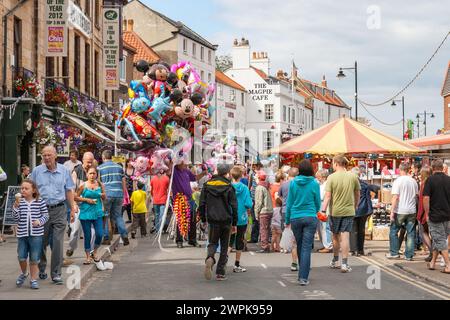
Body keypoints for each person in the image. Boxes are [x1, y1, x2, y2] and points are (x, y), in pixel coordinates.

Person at [30, 145, 76, 284]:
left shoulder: (64, 171)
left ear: (55, 156)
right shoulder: (37, 171)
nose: (46, 157)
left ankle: (56, 273)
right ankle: (42, 267)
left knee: (57, 242)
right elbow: (31, 190)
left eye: (49, 155)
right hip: (41, 210)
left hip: (59, 209)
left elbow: (68, 190)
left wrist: (72, 208)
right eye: (44, 155)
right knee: (41, 241)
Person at [321, 155, 361, 273]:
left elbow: (327, 196)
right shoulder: (353, 176)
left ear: (336, 163)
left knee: (335, 236)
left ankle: (335, 260)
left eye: (333, 163)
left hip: (335, 211)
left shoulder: (331, 178)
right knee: (345, 236)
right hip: (349, 211)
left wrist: (323, 210)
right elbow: (357, 194)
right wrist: (355, 206)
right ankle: (344, 264)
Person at [200, 163, 238, 281]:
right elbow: (234, 206)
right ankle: (220, 272)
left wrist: (203, 219)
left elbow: (201, 204)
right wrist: (235, 223)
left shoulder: (207, 185)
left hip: (212, 219)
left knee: (212, 242)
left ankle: (210, 258)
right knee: (224, 246)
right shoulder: (229, 186)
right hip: (226, 219)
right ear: (227, 173)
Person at [285, 160, 321, 286]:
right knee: (306, 247)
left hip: (295, 217)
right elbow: (317, 202)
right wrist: (315, 211)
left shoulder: (293, 183)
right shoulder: (315, 183)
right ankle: (303, 277)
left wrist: (287, 219)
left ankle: (302, 273)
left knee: (300, 246)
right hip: (310, 216)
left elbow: (289, 203)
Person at [12, 180, 49, 289]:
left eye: (26, 188)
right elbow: (16, 218)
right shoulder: (19, 202)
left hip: (36, 235)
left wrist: (39, 221)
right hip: (22, 234)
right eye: (22, 188)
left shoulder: (40, 201)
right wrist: (15, 207)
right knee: (21, 257)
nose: (23, 190)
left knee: (34, 258)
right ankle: (24, 273)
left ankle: (33, 279)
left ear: (33, 190)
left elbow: (46, 216)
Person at [387, 163, 419, 261]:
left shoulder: (398, 181)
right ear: (408, 169)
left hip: (400, 210)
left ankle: (394, 253)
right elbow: (416, 196)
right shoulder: (414, 181)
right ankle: (409, 255)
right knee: (411, 232)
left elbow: (395, 197)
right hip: (412, 210)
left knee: (393, 231)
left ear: (400, 170)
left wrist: (392, 211)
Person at [423, 159, 450, 273]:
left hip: (435, 216)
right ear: (442, 168)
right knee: (438, 239)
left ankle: (448, 265)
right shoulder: (449, 179)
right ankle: (433, 262)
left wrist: (427, 213)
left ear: (433, 168)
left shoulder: (430, 180)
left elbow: (426, 198)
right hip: (448, 216)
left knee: (439, 240)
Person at [66, 151, 96, 256]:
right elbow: (72, 189)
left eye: (91, 162)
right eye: (88, 162)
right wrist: (74, 205)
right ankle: (71, 247)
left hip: (91, 206)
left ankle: (91, 251)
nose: (89, 164)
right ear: (83, 160)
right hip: (79, 205)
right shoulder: (76, 171)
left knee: (93, 232)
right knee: (75, 230)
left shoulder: (95, 171)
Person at [172, 161, 206, 248]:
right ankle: (179, 240)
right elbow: (168, 170)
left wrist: (203, 173)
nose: (186, 164)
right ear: (179, 162)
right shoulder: (174, 170)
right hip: (180, 198)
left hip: (190, 198)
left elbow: (194, 178)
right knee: (181, 220)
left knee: (193, 219)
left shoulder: (186, 171)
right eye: (184, 162)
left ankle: (192, 240)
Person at [98, 150, 129, 246]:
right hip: (119, 194)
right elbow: (123, 182)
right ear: (111, 157)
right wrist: (123, 194)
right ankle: (124, 236)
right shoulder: (119, 167)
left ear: (103, 157)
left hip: (107, 194)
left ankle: (106, 238)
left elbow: (99, 182)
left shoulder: (100, 168)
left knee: (106, 216)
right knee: (118, 216)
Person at [76, 167, 105, 264]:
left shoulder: (100, 184)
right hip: (86, 213)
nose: (92, 175)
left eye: (94, 173)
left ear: (96, 174)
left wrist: (102, 196)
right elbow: (75, 197)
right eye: (90, 173)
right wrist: (87, 200)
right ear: (87, 174)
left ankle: (95, 252)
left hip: (97, 212)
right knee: (87, 235)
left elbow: (104, 198)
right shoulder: (82, 185)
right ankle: (88, 256)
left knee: (100, 234)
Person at [230, 166, 253, 273]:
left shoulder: (228, 187)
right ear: (241, 175)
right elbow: (248, 203)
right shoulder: (244, 188)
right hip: (242, 217)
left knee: (229, 241)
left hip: (230, 216)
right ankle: (237, 264)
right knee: (239, 240)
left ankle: (223, 262)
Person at [279, 167, 300, 271]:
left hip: (287, 212)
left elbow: (281, 197)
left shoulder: (285, 184)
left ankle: (294, 262)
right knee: (302, 241)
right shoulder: (303, 184)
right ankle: (304, 262)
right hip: (301, 213)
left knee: (293, 240)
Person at [350, 167, 374, 256]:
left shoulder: (350, 184)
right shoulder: (365, 184)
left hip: (353, 209)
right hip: (364, 210)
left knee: (353, 230)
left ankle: (353, 250)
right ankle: (360, 250)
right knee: (361, 230)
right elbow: (375, 189)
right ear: (359, 175)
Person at [254, 170, 273, 253]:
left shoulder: (259, 187)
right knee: (267, 228)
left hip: (263, 211)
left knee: (263, 229)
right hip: (269, 210)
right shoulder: (266, 185)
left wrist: (256, 213)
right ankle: (266, 245)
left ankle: (264, 246)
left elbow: (258, 202)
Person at [417, 166, 433, 262]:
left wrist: (423, 213)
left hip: (424, 212)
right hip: (433, 211)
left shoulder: (424, 184)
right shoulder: (432, 183)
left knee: (423, 232)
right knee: (433, 233)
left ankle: (432, 252)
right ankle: (433, 252)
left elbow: (424, 200)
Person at [315, 169, 333, 253]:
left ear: (322, 177)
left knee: (325, 227)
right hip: (320, 206)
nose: (317, 178)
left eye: (318, 177)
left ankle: (328, 246)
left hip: (324, 206)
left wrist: (323, 210)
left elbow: (325, 197)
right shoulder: (320, 184)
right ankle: (325, 244)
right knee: (321, 227)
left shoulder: (326, 184)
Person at [248, 163, 262, 243]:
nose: (253, 167)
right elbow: (249, 185)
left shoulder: (262, 174)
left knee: (259, 218)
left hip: (259, 198)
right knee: (254, 219)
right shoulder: (252, 174)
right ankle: (254, 237)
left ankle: (261, 237)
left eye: (255, 166)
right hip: (253, 198)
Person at [122, 158, 136, 224]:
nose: (129, 164)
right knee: (127, 205)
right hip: (126, 190)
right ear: (126, 163)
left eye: (131, 162)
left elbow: (136, 180)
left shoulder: (134, 171)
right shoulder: (124, 171)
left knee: (133, 204)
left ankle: (135, 218)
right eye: (128, 162)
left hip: (133, 190)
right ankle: (130, 218)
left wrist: (135, 189)